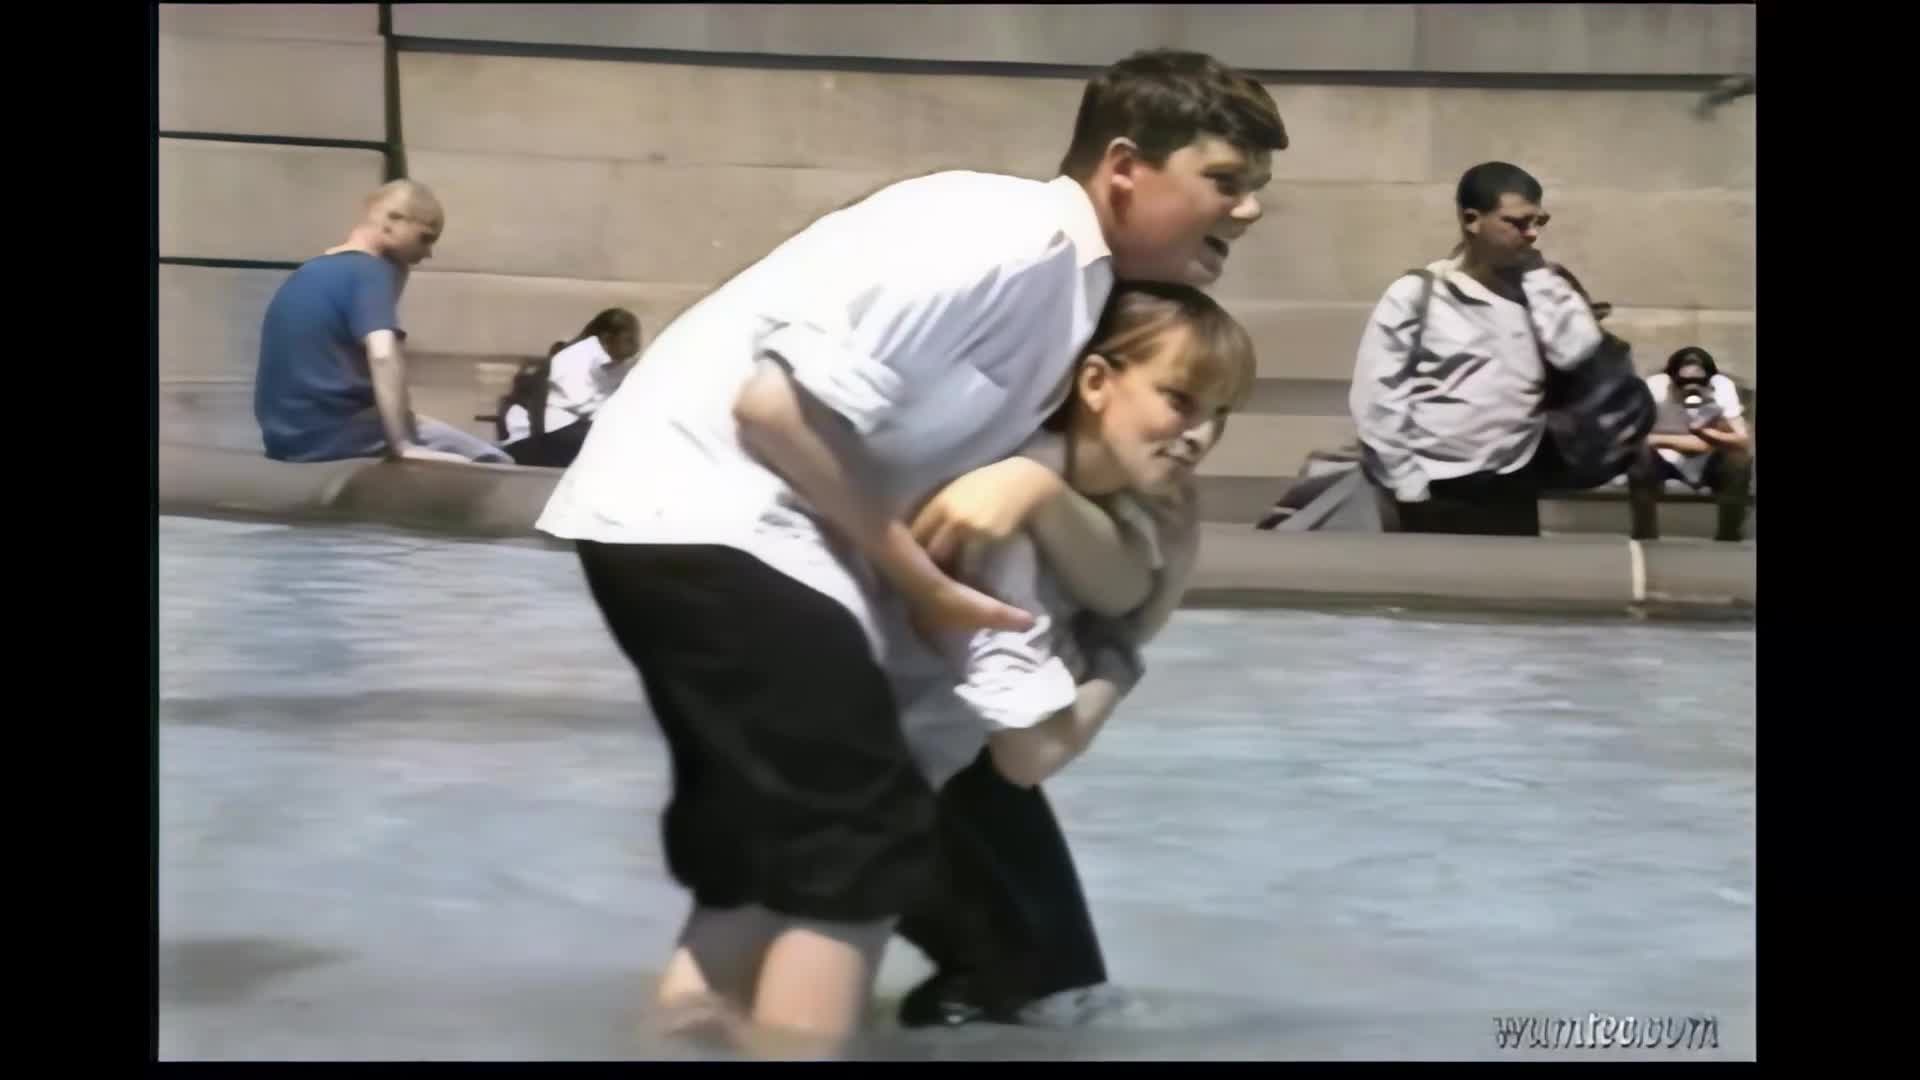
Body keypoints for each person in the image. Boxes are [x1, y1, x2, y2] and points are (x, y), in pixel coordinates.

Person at [533, 48, 1284, 1054]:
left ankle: (684, 1038)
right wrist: (917, 577)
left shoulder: (1070, 288)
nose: (1248, 211)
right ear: (1123, 167)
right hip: (713, 518)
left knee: (771, 854)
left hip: (707, 528)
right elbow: (772, 408)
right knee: (864, 833)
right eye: (1225, 181)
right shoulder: (1008, 240)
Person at [890, 282, 1255, 1029]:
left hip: (946, 761)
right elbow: (1028, 754)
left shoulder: (1103, 496)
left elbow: (1123, 588)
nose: (1201, 436)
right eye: (1180, 401)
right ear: (1095, 382)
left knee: (1065, 992)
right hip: (860, 776)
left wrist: (1164, 571)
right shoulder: (999, 522)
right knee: (1038, 1000)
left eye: (1220, 414)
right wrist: (1120, 663)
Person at [1349, 161, 1604, 536]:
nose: (1532, 234)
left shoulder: (1541, 288)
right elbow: (1377, 398)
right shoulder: (1417, 294)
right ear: (1472, 220)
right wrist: (1407, 484)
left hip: (1515, 482)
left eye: (1539, 221)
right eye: (1517, 222)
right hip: (1435, 487)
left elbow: (1577, 352)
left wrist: (1541, 281)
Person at [254, 180, 510, 464]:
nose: (427, 253)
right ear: (393, 220)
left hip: (289, 438)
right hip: (338, 435)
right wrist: (403, 444)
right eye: (425, 238)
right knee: (498, 463)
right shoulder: (368, 271)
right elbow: (383, 355)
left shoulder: (314, 269)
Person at [1628, 346, 1753, 541]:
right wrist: (1692, 440)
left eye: (1698, 381)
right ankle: (1645, 532)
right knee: (1639, 456)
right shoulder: (1656, 388)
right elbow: (1635, 436)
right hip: (1665, 457)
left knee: (1738, 460)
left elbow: (1742, 440)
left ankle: (1729, 533)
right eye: (1684, 381)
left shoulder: (1721, 388)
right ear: (1671, 379)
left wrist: (1704, 432)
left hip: (1708, 459)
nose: (1691, 388)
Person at [501, 308, 644, 467]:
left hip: (563, 435)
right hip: (535, 441)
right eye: (629, 340)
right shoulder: (577, 356)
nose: (637, 346)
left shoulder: (614, 364)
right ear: (607, 338)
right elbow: (586, 407)